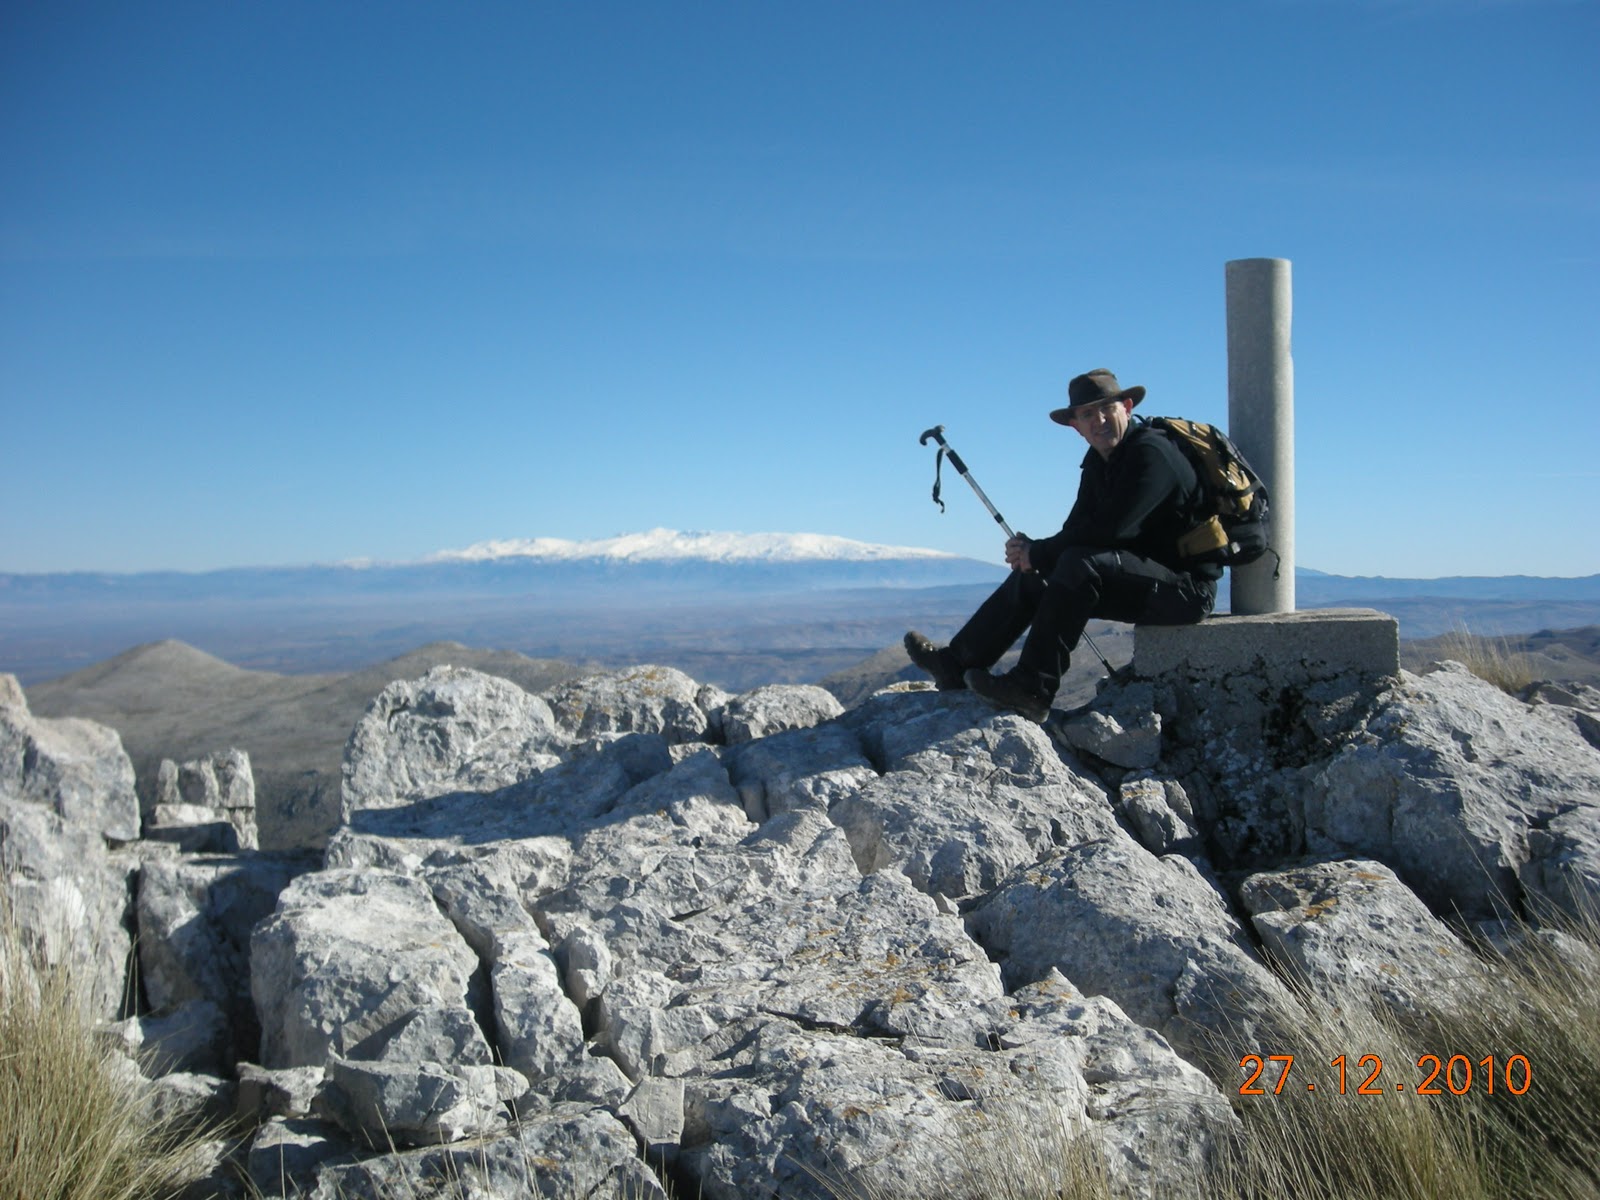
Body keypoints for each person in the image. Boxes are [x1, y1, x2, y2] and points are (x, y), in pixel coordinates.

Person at [905, 368, 1220, 722]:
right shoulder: (1099, 463)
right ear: (1075, 425)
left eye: (1107, 409)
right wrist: (1032, 552)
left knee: (1075, 563)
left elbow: (1113, 529)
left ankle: (1032, 689)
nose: (1098, 420)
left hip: (1185, 591)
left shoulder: (1151, 454)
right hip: (1138, 579)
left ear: (1127, 407)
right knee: (1048, 566)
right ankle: (956, 663)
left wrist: (1039, 551)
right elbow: (1077, 530)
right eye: (1087, 414)